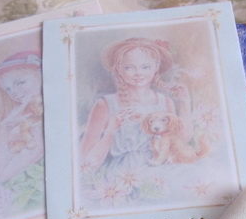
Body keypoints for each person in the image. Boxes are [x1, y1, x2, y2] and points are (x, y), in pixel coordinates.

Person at [79, 37, 194, 184]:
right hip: (125, 175)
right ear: (118, 69)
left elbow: (181, 140)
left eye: (145, 67)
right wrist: (111, 130)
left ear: (156, 67)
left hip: (159, 169)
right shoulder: (105, 104)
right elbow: (85, 161)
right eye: (129, 67)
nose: (138, 73)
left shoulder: (164, 102)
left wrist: (185, 104)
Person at [0, 51, 44, 183]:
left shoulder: (39, 125)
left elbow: (3, 175)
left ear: (40, 75)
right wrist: (6, 129)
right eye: (8, 89)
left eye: (20, 82)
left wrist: (5, 129)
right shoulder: (23, 118)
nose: (14, 93)